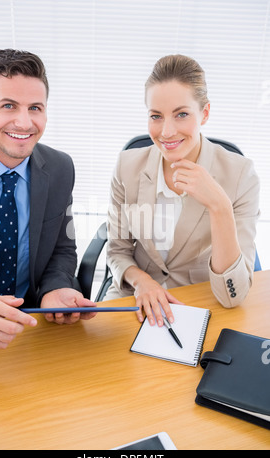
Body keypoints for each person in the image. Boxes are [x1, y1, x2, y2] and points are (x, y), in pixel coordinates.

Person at [105, 54, 260, 328]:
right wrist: (144, 282)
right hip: (135, 299)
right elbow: (117, 251)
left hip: (198, 303)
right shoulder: (126, 166)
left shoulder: (240, 176)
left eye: (182, 114)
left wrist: (219, 206)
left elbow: (233, 295)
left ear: (205, 113)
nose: (166, 131)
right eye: (156, 116)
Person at [0, 49, 96, 349]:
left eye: (35, 108)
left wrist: (55, 288)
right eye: (9, 105)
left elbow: (62, 249)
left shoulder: (60, 168)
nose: (25, 123)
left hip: (31, 324)